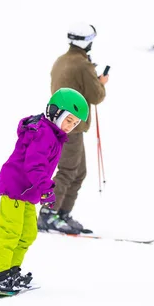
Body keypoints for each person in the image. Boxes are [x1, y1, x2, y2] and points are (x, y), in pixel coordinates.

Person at [0, 88, 89, 291]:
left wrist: (41, 189)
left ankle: (10, 270)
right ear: (55, 112)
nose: (70, 126)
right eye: (69, 120)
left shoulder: (53, 134)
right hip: (15, 189)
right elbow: (34, 165)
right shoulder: (42, 133)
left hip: (27, 193)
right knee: (10, 232)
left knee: (28, 233)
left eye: (74, 123)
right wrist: (46, 188)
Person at [37, 23, 108, 235]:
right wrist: (101, 83)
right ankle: (49, 214)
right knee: (69, 170)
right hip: (71, 125)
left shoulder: (62, 60)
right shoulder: (82, 65)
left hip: (61, 122)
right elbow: (96, 96)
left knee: (78, 171)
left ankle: (62, 213)